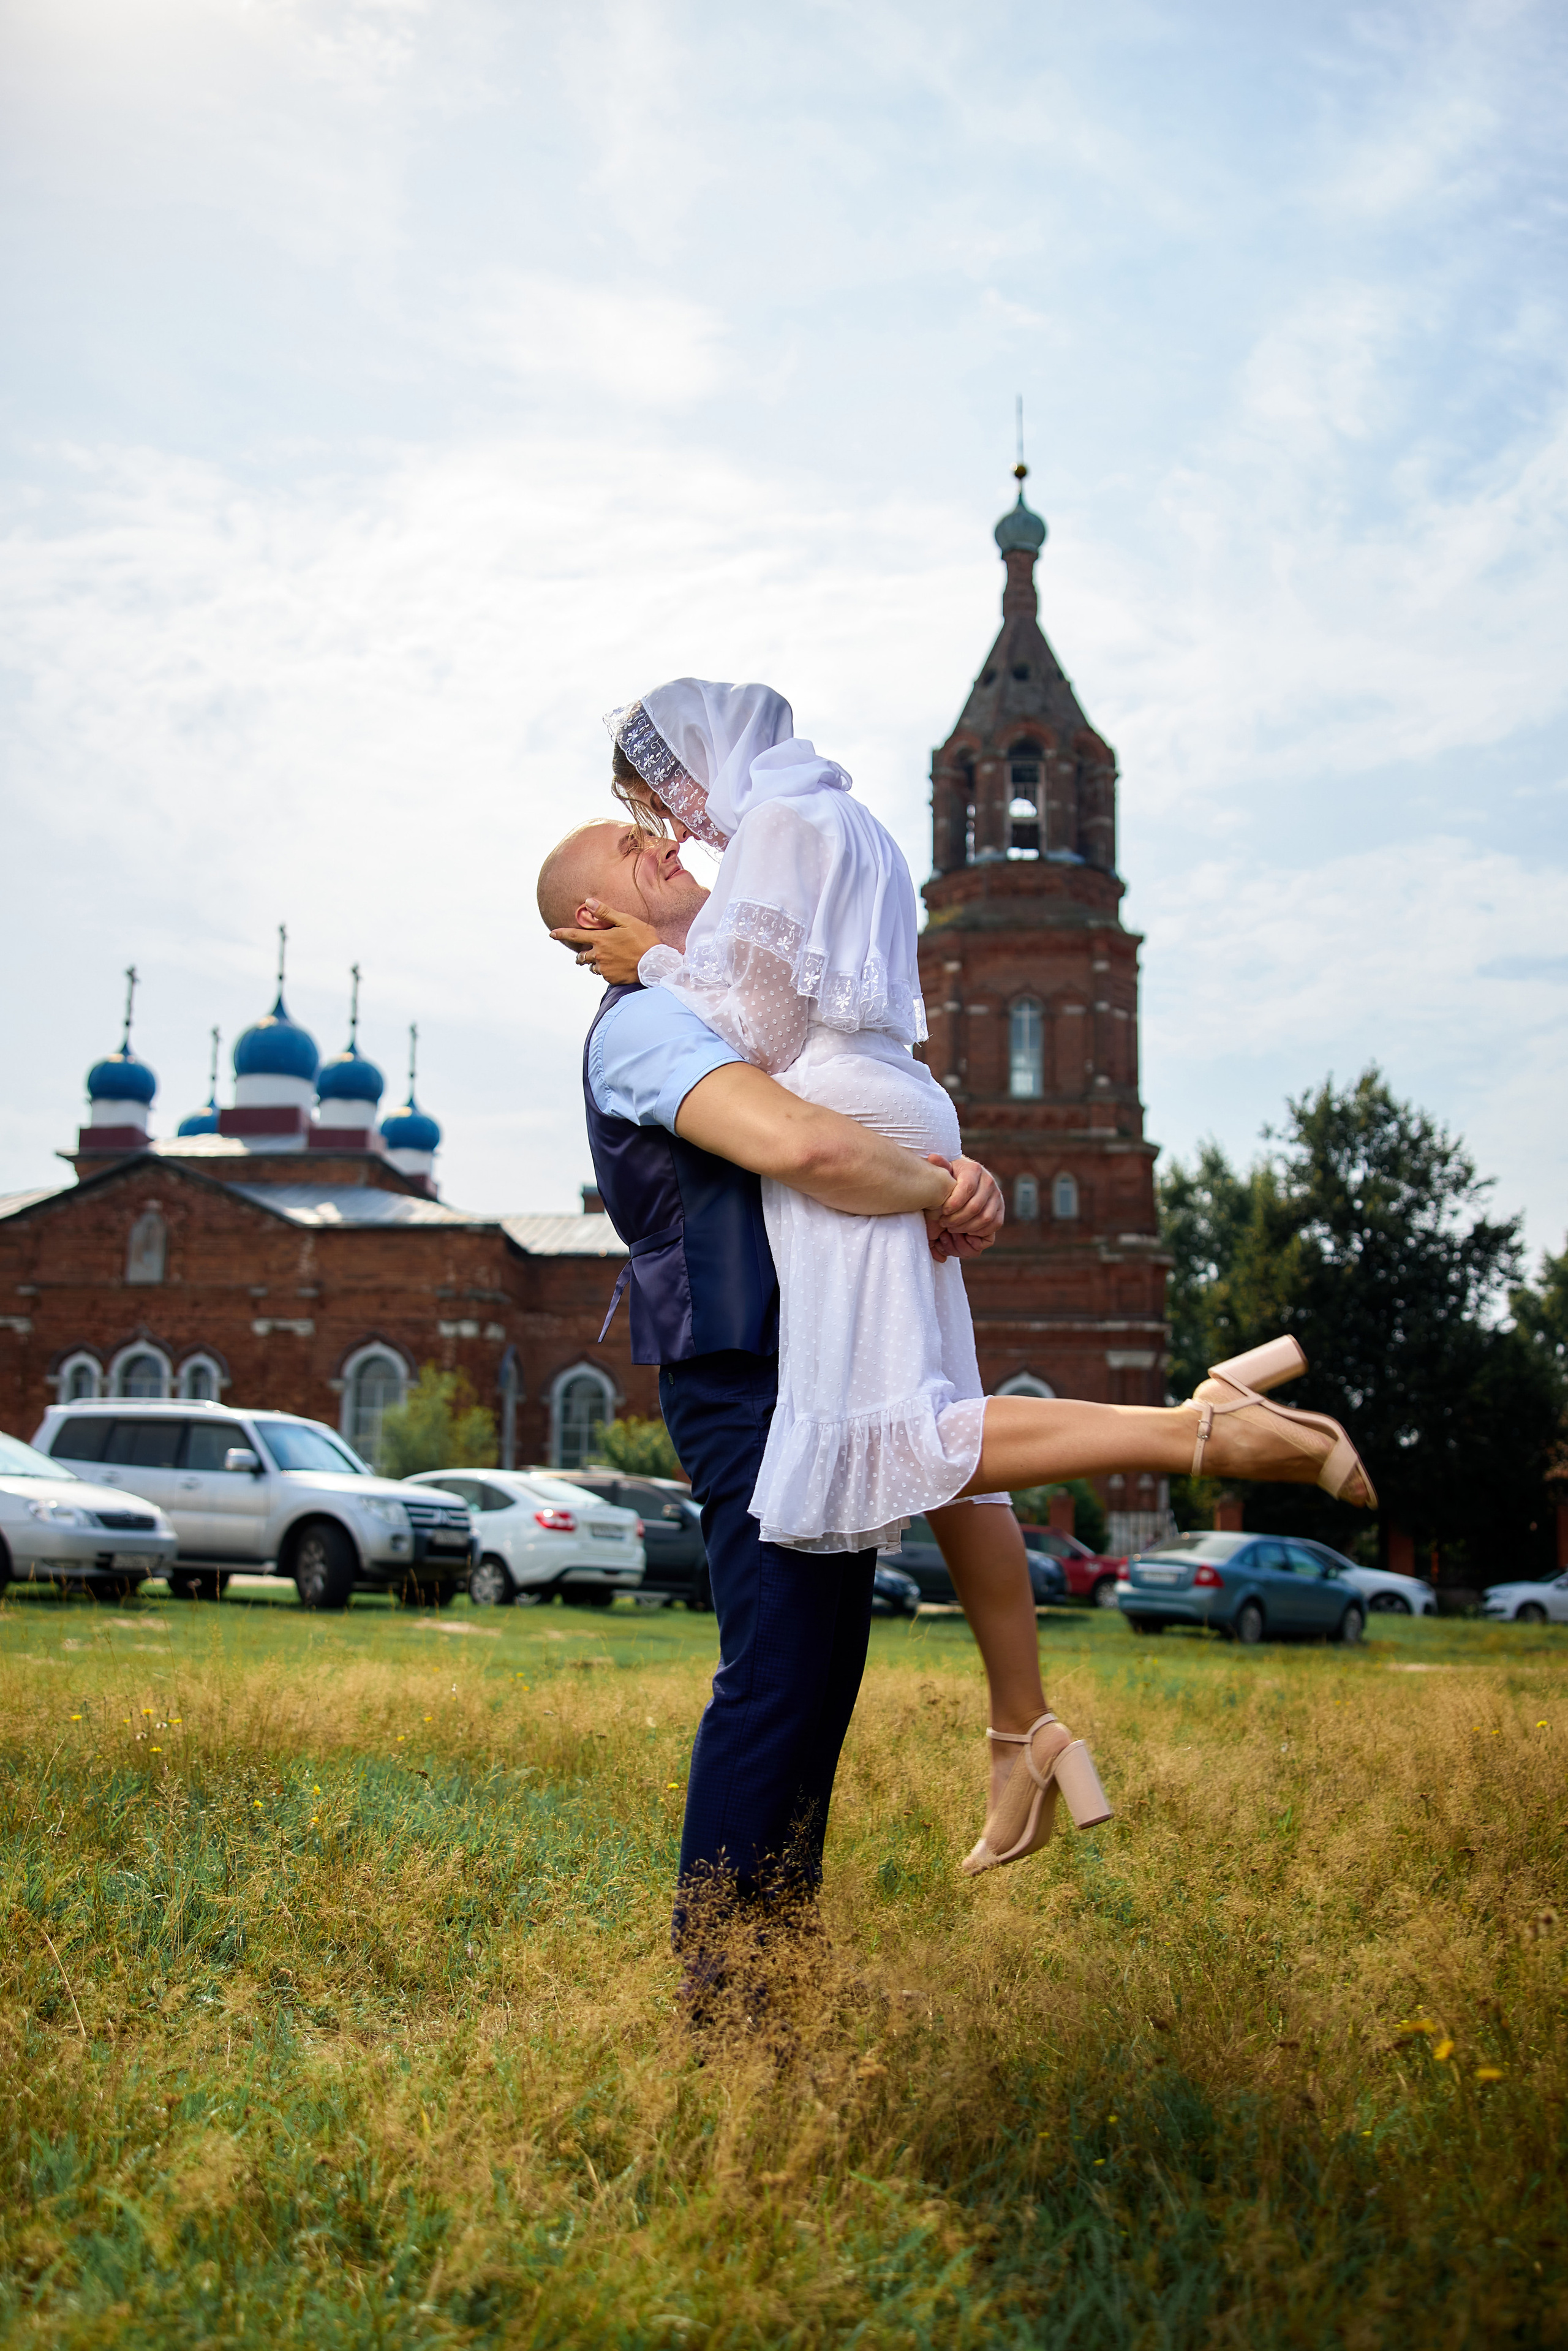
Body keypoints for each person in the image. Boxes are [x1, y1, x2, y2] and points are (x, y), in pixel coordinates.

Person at [549, 682, 1377, 1876]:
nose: (674, 833)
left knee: (910, 1435)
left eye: (662, 805)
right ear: (589, 908)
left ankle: (1195, 1429)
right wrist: (930, 1170)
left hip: (845, 1132)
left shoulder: (762, 859)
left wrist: (666, 960)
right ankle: (1019, 1726)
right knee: (929, 1456)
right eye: (641, 837)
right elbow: (801, 1040)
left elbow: (765, 1037)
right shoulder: (834, 823)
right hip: (880, 1113)